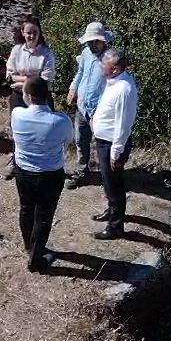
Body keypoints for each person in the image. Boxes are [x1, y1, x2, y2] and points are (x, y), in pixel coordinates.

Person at [11, 76, 74, 273]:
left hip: (23, 171)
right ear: (47, 95)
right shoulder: (60, 121)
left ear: (28, 96)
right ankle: (36, 258)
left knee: (26, 208)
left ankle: (30, 246)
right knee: (44, 216)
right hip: (50, 174)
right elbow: (68, 142)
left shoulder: (17, 115)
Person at [89, 47, 138, 240]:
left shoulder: (124, 89)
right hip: (105, 142)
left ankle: (115, 227)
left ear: (115, 68)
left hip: (113, 145)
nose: (101, 66)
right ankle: (111, 211)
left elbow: (123, 124)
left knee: (115, 185)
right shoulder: (114, 83)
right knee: (108, 183)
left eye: (104, 64)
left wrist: (116, 152)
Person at [65, 21, 112, 189]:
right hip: (82, 107)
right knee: (80, 140)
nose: (92, 45)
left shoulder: (110, 59)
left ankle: (108, 177)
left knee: (102, 145)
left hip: (99, 112)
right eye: (90, 41)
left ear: (103, 41)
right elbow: (81, 73)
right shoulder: (85, 53)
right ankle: (82, 171)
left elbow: (112, 87)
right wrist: (73, 88)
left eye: (95, 41)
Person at [5, 15, 57, 111]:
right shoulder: (16, 50)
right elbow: (10, 77)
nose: (32, 36)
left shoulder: (47, 53)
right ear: (22, 32)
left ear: (39, 32)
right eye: (28, 33)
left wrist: (20, 83)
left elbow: (44, 81)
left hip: (41, 100)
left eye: (35, 32)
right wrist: (28, 79)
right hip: (18, 98)